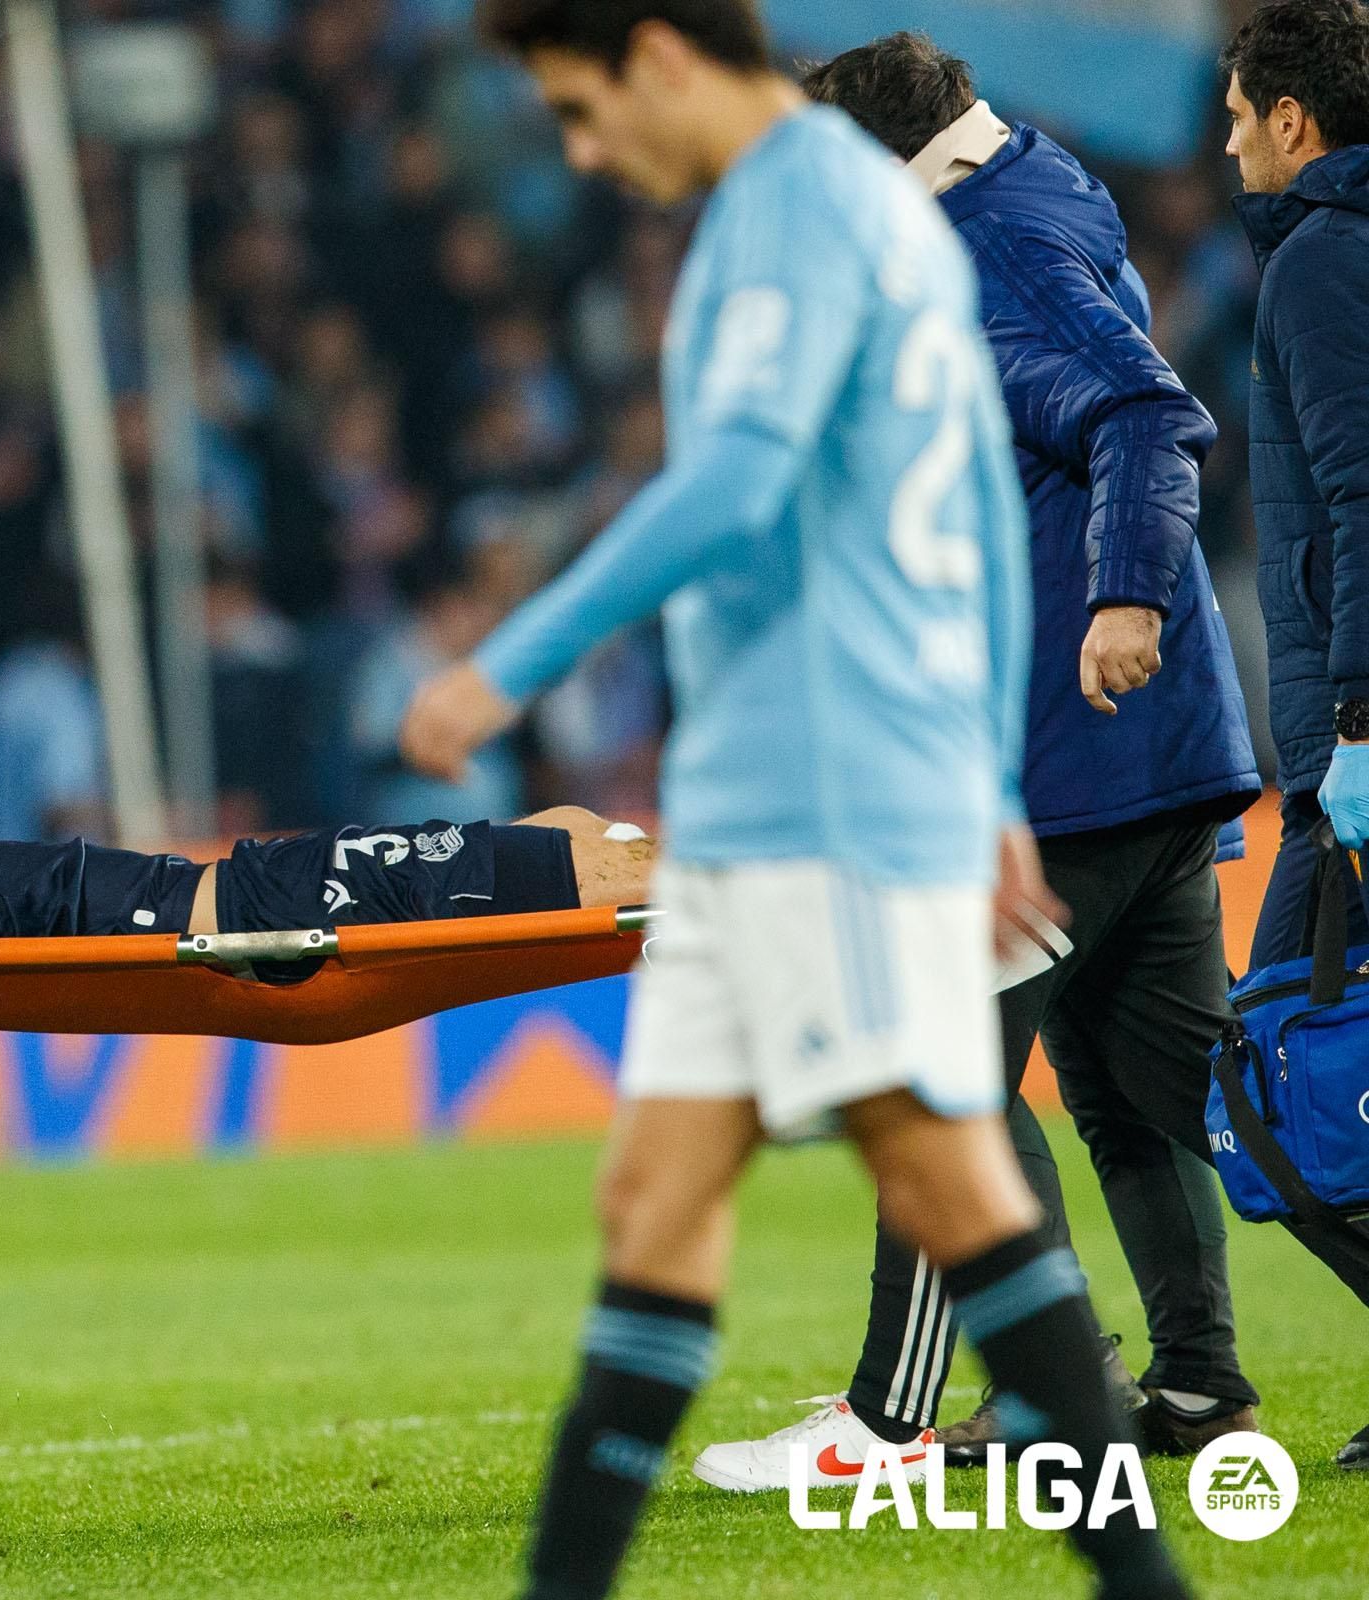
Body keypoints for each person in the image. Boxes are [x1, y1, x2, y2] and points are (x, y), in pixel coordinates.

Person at [396, 2, 1192, 1596]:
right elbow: (968, 488)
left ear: (660, 55)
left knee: (947, 1180)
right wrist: (985, 782)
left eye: (577, 105)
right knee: (658, 1204)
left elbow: (743, 477)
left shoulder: (791, 212)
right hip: (785, 795)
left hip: (822, 795)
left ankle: (1143, 1582)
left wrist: (512, 658)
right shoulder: (882, 216)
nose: (580, 151)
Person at [687, 33, 1264, 1494]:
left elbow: (1143, 413)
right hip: (1146, 754)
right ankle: (1194, 1384)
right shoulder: (1042, 192)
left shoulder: (977, 252)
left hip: (1060, 753)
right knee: (1162, 1098)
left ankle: (896, 1421)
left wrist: (1123, 595)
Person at [0, 673, 654, 946]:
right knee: (591, 871)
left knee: (567, 832)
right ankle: (774, 882)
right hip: (269, 910)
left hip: (262, 892)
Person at [1224, 0, 1369, 1470]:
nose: (1221, 143)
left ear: (1293, 121)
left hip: (1358, 751)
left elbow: (1362, 493)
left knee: (1269, 1068)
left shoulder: (1319, 261)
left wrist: (1360, 728)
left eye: (1235, 115)